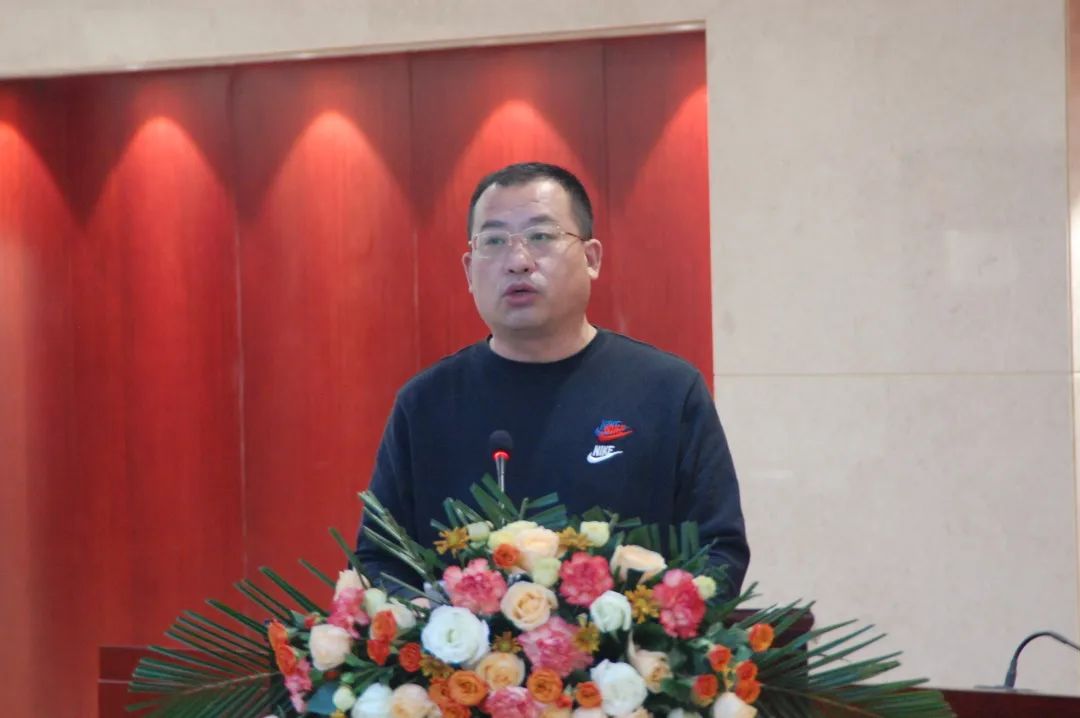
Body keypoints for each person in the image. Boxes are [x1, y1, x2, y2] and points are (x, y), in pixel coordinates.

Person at [354, 161, 749, 596]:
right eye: (494, 241)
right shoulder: (425, 404)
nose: (517, 261)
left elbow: (718, 550)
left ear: (591, 258)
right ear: (469, 270)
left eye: (541, 236)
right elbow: (380, 559)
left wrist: (641, 626)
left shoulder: (667, 391)